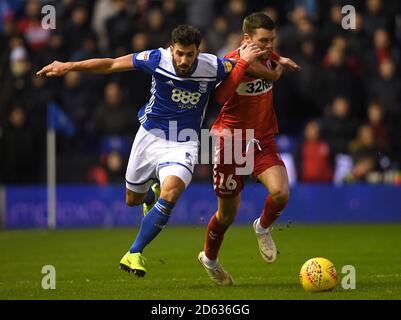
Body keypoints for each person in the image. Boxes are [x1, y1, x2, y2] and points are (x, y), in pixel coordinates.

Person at [37, 24, 267, 277]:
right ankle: (149, 197)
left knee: (172, 192)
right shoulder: (156, 58)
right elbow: (112, 64)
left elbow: (242, 67)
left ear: (197, 52)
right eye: (179, 53)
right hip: (149, 136)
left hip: (184, 141)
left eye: (190, 54)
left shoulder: (212, 66)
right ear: (172, 49)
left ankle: (135, 252)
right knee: (132, 199)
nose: (183, 60)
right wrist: (68, 66)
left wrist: (273, 69)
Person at [197, 12, 301, 285]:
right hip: (230, 141)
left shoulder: (268, 57)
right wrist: (253, 65)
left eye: (272, 40)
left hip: (262, 138)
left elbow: (268, 64)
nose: (269, 46)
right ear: (247, 40)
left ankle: (262, 227)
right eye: (263, 41)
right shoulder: (232, 61)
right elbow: (219, 97)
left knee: (280, 193)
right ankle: (210, 259)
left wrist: (277, 61)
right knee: (227, 214)